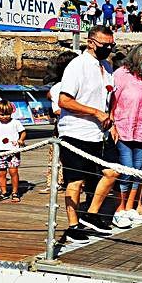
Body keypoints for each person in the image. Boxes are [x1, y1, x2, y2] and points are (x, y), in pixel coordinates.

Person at [56, 25, 116, 244]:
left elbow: (109, 97)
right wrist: (95, 112)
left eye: (112, 44)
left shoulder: (107, 66)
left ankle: (91, 215)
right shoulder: (77, 66)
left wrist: (111, 119)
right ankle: (73, 226)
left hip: (99, 133)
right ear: (91, 43)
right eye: (105, 45)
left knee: (112, 172)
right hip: (76, 131)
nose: (109, 48)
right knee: (76, 181)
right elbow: (64, 100)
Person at [110, 44, 142, 228]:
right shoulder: (121, 74)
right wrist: (112, 123)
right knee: (126, 168)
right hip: (124, 127)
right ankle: (119, 208)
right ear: (138, 58)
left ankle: (130, 207)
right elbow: (111, 100)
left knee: (138, 169)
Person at [44, 50, 79, 194]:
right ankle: (56, 181)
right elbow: (57, 109)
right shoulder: (58, 87)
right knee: (58, 156)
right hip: (64, 128)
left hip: (77, 127)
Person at [0, 100, 26, 203]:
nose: (4, 116)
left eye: (7, 114)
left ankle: (15, 192)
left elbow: (23, 132)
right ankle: (3, 192)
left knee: (13, 172)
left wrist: (21, 139)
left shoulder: (15, 122)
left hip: (13, 151)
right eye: (1, 114)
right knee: (1, 173)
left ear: (11, 112)